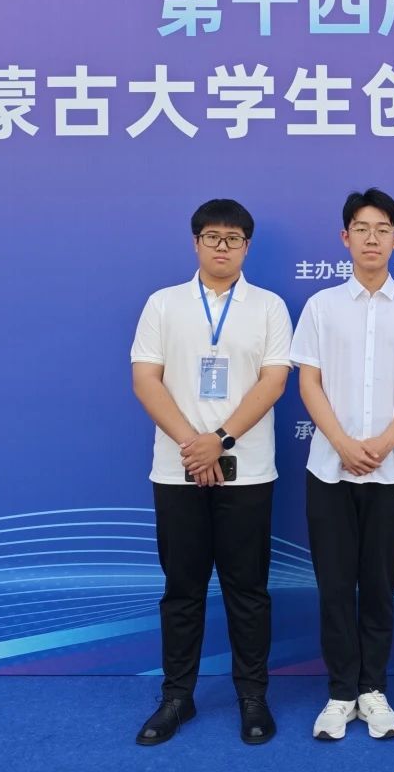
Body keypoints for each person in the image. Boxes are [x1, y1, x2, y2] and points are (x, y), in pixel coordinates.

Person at [130, 199, 292, 746]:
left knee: (248, 591)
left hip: (247, 472)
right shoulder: (163, 304)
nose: (222, 246)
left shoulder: (269, 307)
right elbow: (146, 379)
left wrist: (218, 441)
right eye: (212, 237)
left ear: (248, 246)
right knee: (182, 590)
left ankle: (253, 696)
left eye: (233, 238)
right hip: (177, 470)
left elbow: (273, 382)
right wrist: (192, 445)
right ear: (195, 242)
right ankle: (177, 697)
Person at [291, 188, 394, 741]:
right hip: (329, 469)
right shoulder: (321, 306)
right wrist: (344, 444)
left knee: (379, 585)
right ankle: (340, 692)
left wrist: (383, 443)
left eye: (381, 230)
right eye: (360, 228)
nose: (371, 238)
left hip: (390, 468)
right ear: (344, 237)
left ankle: (373, 689)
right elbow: (308, 381)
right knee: (334, 586)